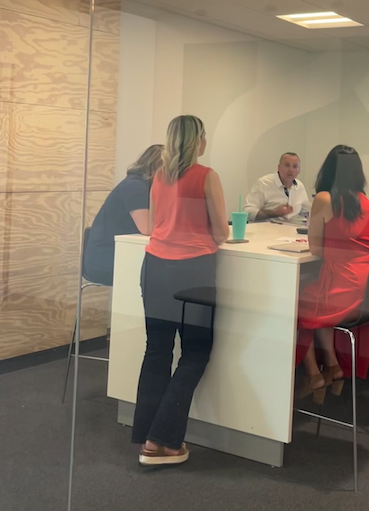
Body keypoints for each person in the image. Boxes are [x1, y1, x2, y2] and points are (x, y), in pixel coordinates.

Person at [132, 115, 229, 467]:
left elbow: (157, 224)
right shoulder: (207, 176)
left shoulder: (159, 176)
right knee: (195, 353)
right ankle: (165, 441)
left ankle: (147, 437)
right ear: (198, 141)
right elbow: (221, 233)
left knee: (156, 351)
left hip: (155, 268)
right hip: (193, 273)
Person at [296, 145, 369, 402]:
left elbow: (315, 247)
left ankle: (314, 374)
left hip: (344, 284)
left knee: (299, 303)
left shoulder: (324, 199)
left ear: (329, 169)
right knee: (316, 300)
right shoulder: (366, 202)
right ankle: (333, 367)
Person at [84, 144, 163, 286]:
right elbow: (147, 228)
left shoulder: (140, 186)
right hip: (106, 260)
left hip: (117, 255)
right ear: (157, 167)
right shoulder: (135, 187)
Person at [243, 153, 311, 223]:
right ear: (279, 167)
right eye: (287, 165)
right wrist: (275, 213)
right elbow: (247, 211)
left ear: (299, 170)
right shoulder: (264, 183)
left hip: (292, 230)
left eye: (295, 166)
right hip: (267, 230)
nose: (291, 170)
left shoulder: (300, 186)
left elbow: (307, 212)